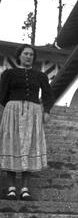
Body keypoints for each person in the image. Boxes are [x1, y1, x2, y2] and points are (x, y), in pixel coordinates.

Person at [0, 44, 53, 200]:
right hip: (13, 111)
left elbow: (48, 95)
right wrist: (11, 108)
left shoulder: (41, 76)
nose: (29, 57)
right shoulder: (8, 74)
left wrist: (47, 111)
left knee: (29, 146)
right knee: (12, 144)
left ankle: (24, 188)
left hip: (34, 113)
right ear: (19, 56)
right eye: (26, 54)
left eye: (31, 54)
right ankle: (10, 187)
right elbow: (1, 95)